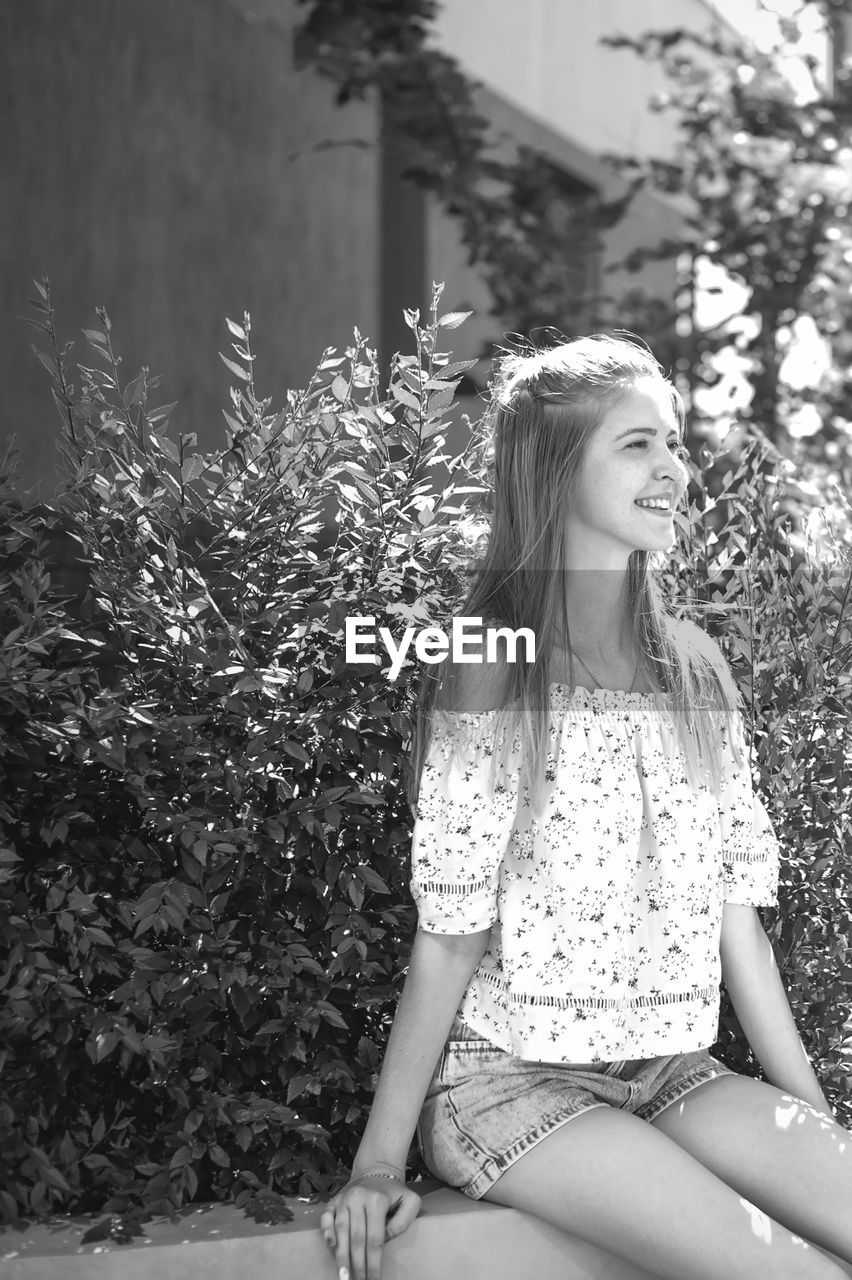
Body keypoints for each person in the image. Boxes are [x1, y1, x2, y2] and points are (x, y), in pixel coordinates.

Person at [319, 335, 852, 1280]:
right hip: (512, 1088)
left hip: (674, 1071)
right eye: (637, 445)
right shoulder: (491, 666)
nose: (675, 469)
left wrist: (815, 1127)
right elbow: (449, 934)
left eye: (677, 443)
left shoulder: (695, 670)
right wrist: (375, 1163)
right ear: (557, 471)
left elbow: (740, 927)